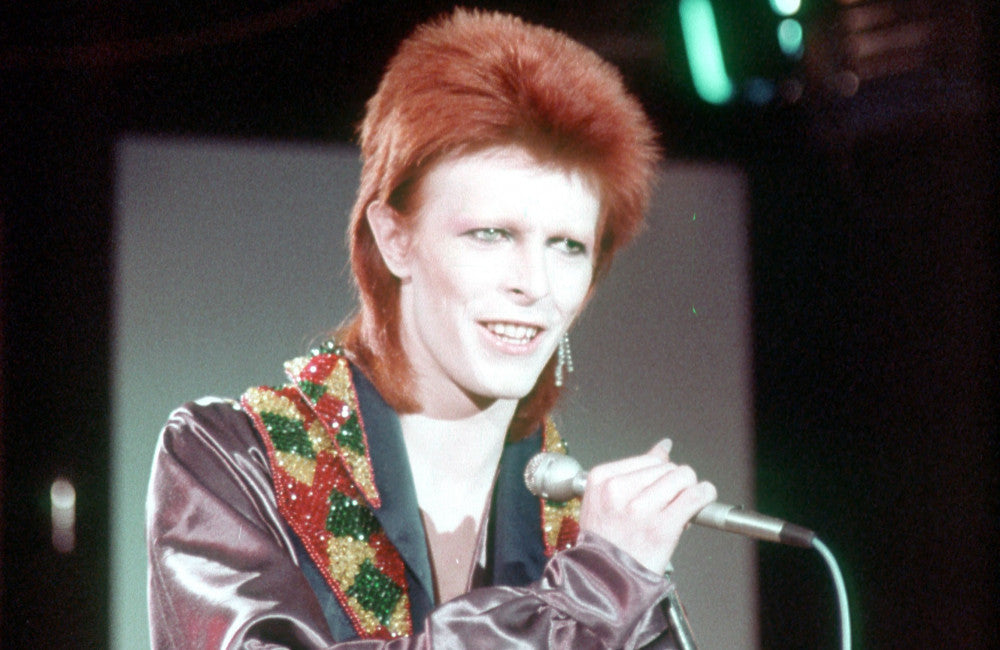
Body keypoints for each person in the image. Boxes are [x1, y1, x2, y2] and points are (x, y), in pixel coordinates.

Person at [146, 8, 717, 649]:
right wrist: (595, 592)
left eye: (568, 246)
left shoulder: (587, 534)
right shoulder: (228, 460)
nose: (535, 284)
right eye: (491, 234)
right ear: (394, 238)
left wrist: (615, 581)